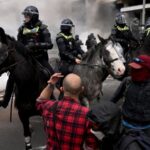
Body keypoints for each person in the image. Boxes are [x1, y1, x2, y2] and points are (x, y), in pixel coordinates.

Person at [0, 6, 54, 108]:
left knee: (50, 73)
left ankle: (52, 97)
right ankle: (5, 101)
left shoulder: (42, 28)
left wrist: (35, 45)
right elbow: (19, 44)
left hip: (40, 57)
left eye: (27, 15)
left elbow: (49, 44)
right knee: (12, 77)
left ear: (33, 16)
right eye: (25, 15)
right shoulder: (21, 29)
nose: (25, 17)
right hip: (26, 58)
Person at [36, 73, 98, 150]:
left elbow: (40, 101)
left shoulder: (49, 106)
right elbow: (91, 146)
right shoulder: (87, 114)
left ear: (61, 89)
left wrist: (51, 85)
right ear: (82, 89)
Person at [110, 55, 150, 149]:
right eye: (133, 68)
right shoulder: (127, 81)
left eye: (138, 69)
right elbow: (113, 99)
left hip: (146, 129)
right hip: (125, 127)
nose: (134, 71)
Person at [56, 18, 83, 88]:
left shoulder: (70, 36)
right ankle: (62, 88)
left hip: (73, 58)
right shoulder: (60, 38)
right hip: (65, 61)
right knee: (64, 72)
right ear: (67, 28)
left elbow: (77, 48)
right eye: (70, 27)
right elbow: (64, 52)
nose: (71, 29)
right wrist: (74, 59)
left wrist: (84, 54)